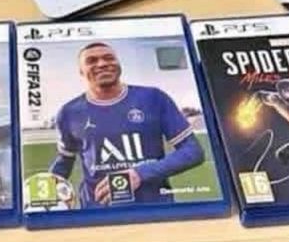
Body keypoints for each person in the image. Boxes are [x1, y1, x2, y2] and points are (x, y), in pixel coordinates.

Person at [49, 42, 204, 207]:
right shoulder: (69, 112)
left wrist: (140, 173)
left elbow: (193, 151)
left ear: (119, 64)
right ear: (81, 71)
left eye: (109, 58)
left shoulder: (153, 98)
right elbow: (64, 161)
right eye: (92, 61)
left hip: (154, 207)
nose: (102, 64)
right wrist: (47, 191)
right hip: (96, 210)